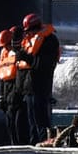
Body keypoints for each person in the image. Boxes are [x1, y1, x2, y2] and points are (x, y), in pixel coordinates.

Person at [18, 11, 61, 143]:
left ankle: (44, 142)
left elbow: (43, 65)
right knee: (31, 121)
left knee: (40, 119)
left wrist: (26, 58)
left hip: (40, 86)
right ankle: (34, 143)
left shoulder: (49, 41)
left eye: (29, 31)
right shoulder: (32, 41)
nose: (27, 34)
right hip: (30, 87)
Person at [0, 27, 24, 144]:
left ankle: (19, 146)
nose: (5, 48)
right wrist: (1, 97)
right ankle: (14, 145)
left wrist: (16, 93)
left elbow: (21, 77)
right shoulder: (5, 56)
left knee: (19, 125)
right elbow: (2, 78)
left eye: (6, 45)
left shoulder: (19, 55)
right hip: (7, 94)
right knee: (10, 125)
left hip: (16, 95)